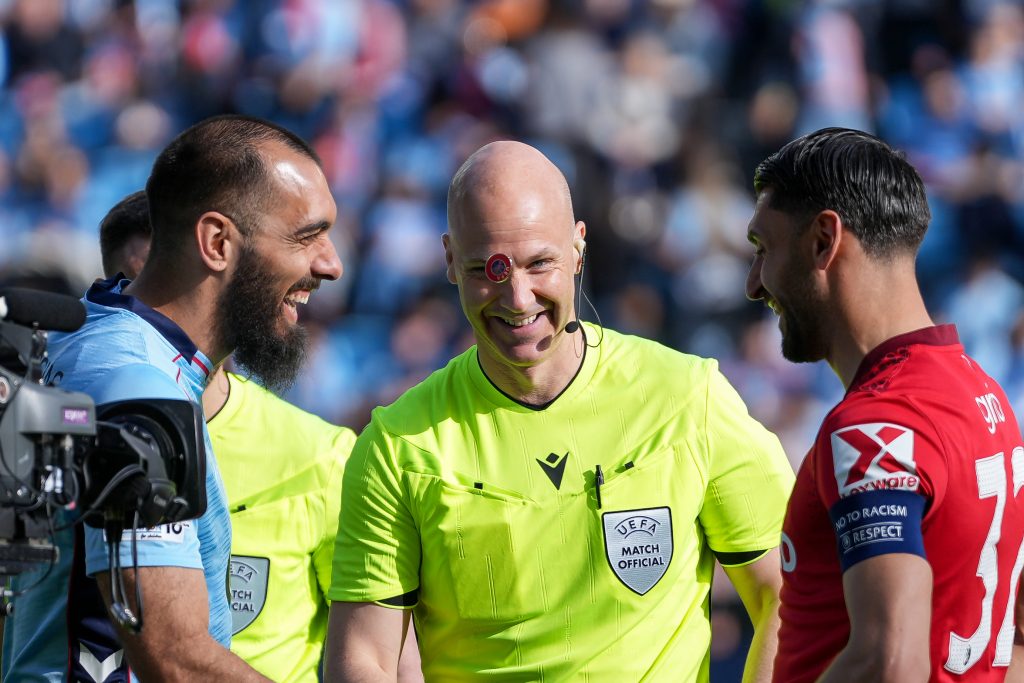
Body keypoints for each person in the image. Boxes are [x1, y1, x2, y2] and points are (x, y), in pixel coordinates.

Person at [325, 140, 794, 682]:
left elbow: (790, 593)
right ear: (450, 260)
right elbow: (362, 659)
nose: (518, 298)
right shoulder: (396, 446)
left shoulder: (688, 397)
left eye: (539, 263)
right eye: (488, 269)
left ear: (577, 248)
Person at [2, 114, 343, 681]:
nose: (331, 264)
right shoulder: (138, 389)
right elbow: (176, 659)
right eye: (306, 236)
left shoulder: (93, 337)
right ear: (217, 243)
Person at [97, 191, 422, 682]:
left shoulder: (319, 454)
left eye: (178, 290)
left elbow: (392, 660)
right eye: (139, 295)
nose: (159, 319)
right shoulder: (65, 437)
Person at [745, 127, 1024, 682]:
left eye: (763, 249)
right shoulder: (985, 396)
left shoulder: (874, 427)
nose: (754, 284)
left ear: (824, 240)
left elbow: (888, 663)